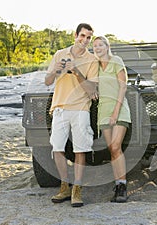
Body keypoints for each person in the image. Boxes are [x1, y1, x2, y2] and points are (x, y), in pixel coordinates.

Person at [45, 23, 98, 207]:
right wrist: (56, 70)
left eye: (89, 37)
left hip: (81, 107)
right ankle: (64, 186)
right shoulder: (60, 54)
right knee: (57, 148)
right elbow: (47, 81)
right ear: (75, 35)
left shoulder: (92, 60)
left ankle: (77, 189)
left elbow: (91, 88)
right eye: (82, 36)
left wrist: (76, 71)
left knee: (80, 150)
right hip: (59, 106)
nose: (85, 40)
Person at [92, 36, 131, 203]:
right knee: (112, 149)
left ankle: (122, 186)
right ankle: (117, 184)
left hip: (119, 109)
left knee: (116, 146)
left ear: (107, 47)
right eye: (95, 46)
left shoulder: (116, 61)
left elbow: (123, 86)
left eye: (101, 44)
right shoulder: (95, 67)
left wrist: (116, 112)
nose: (98, 47)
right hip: (103, 111)